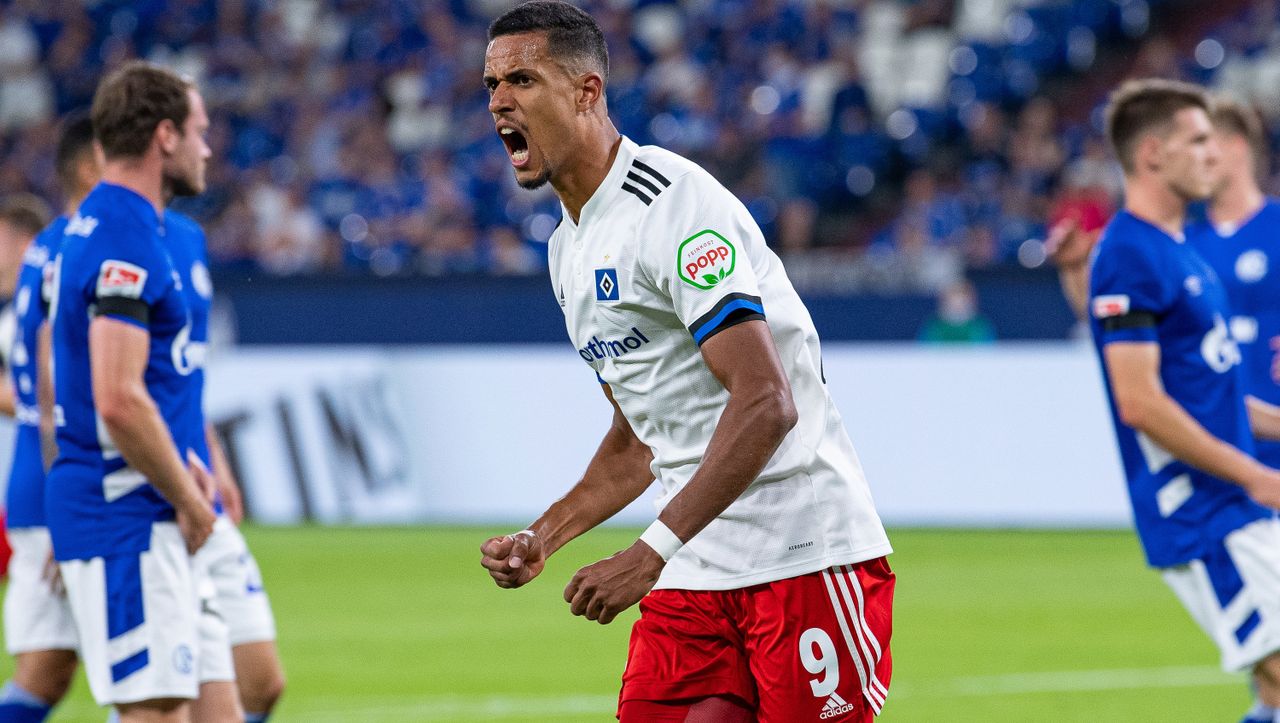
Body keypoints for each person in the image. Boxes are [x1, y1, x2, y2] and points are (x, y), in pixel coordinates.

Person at [476, 3, 894, 721]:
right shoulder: (565, 249)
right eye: (491, 84)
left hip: (800, 551)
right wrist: (543, 536)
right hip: (696, 568)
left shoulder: (672, 204)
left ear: (587, 91)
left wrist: (648, 553)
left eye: (522, 79)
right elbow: (641, 438)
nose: (499, 102)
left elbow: (766, 400)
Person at [45, 61, 236, 722]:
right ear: (165, 136)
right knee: (155, 710)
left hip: (151, 509)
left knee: (219, 709)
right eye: (199, 132)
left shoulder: (121, 224)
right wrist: (189, 500)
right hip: (126, 515)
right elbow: (119, 398)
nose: (206, 149)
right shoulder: (124, 236)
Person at [1088, 79, 1280, 721]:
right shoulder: (1130, 253)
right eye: (1197, 141)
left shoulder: (1179, 253)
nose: (1212, 153)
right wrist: (1254, 473)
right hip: (1201, 511)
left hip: (1233, 504)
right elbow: (1139, 403)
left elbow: (1212, 398)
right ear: (1152, 153)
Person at [167, 208, 287, 722]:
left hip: (201, 493)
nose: (206, 165)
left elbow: (180, 377)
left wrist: (214, 454)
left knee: (260, 683)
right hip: (150, 501)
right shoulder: (109, 243)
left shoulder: (185, 237)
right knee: (157, 697)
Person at [0, 115, 95, 723]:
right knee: (156, 677)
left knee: (46, 671)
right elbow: (49, 392)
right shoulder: (75, 254)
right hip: (65, 487)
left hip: (33, 486)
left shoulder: (40, 264)